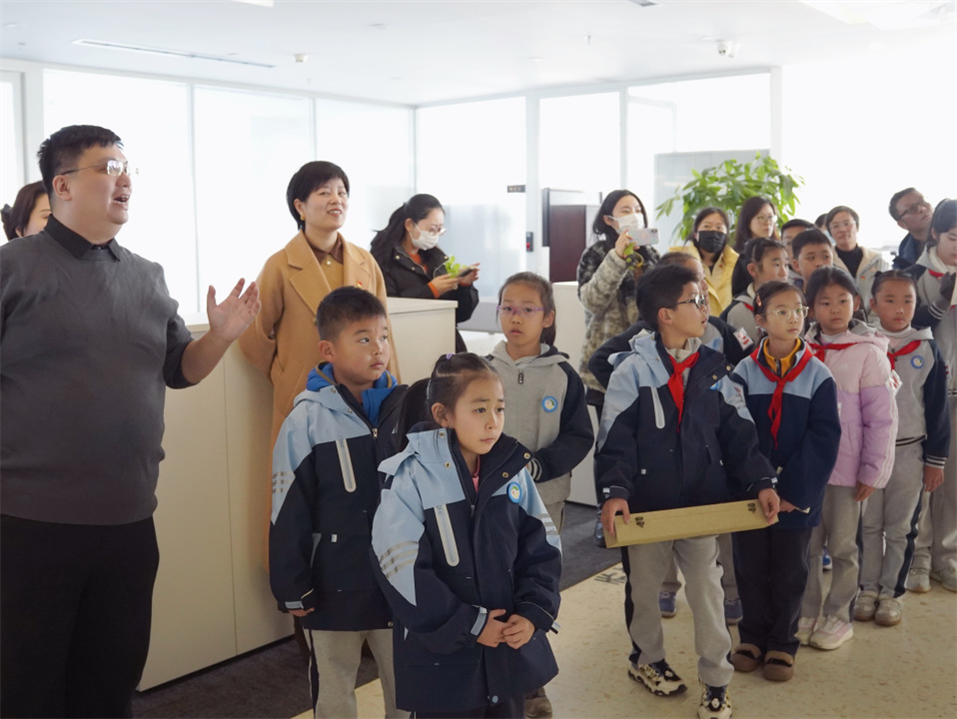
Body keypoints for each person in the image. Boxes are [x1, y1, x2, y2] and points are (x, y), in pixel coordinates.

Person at [0, 125, 260, 718]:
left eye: (127, 168)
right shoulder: (12, 270)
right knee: (25, 686)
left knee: (110, 680)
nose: (124, 180)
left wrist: (221, 337)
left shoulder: (147, 275)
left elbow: (180, 370)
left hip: (128, 520)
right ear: (63, 185)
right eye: (107, 167)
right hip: (29, 524)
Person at [595, 263, 780, 719]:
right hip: (646, 511)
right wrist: (615, 491)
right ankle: (647, 659)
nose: (704, 309)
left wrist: (760, 480)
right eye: (695, 301)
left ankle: (716, 679)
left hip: (701, 507)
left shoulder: (714, 370)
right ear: (665, 315)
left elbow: (740, 434)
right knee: (643, 590)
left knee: (707, 593)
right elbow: (614, 440)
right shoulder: (631, 372)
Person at [371, 353, 562, 719]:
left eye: (499, 408)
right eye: (479, 409)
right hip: (444, 665)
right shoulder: (409, 478)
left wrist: (533, 613)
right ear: (443, 415)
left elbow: (543, 548)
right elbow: (400, 570)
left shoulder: (512, 471)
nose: (493, 421)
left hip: (506, 652)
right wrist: (470, 625)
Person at [588, 251, 750, 622]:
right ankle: (662, 605)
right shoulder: (640, 344)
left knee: (709, 570)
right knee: (649, 569)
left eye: (701, 286)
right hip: (654, 483)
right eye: (692, 291)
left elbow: (741, 376)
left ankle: (725, 624)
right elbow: (601, 367)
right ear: (666, 309)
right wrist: (641, 395)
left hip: (704, 478)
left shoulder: (718, 333)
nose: (701, 296)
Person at [269, 287, 407, 719]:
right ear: (328, 350)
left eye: (383, 336)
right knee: (333, 690)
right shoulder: (305, 422)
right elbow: (287, 510)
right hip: (332, 588)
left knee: (409, 689)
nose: (378, 348)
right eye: (363, 338)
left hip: (401, 583)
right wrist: (292, 585)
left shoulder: (409, 412)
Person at [486, 272, 593, 718]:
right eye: (508, 308)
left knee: (536, 585)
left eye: (528, 309)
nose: (516, 317)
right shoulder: (481, 370)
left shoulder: (564, 375)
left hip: (544, 501)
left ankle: (532, 684)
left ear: (547, 317)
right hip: (487, 503)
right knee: (492, 584)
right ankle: (491, 676)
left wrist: (540, 465)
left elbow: (578, 436)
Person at [238, 161, 398, 456]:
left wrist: (393, 392)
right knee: (304, 475)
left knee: (365, 474)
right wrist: (286, 376)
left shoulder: (365, 262)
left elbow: (385, 331)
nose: (337, 199)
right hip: (306, 394)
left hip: (364, 395)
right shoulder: (280, 265)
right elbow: (252, 335)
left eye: (342, 192)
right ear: (300, 206)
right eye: (325, 192)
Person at [730, 281, 841, 682]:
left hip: (796, 497)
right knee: (750, 567)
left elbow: (823, 438)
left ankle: (782, 641)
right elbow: (737, 434)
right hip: (751, 493)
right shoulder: (743, 372)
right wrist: (756, 482)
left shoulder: (818, 375)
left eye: (798, 309)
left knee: (790, 570)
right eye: (781, 311)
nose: (794, 318)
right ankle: (752, 636)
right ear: (760, 320)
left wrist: (792, 490)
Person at [798, 267, 897, 651]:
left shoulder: (868, 352)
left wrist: (872, 471)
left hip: (847, 472)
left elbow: (882, 419)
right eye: (825, 302)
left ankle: (839, 616)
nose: (836, 309)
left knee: (842, 548)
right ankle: (807, 611)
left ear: (856, 302)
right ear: (811, 308)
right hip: (808, 470)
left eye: (843, 300)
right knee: (807, 547)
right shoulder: (801, 348)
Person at [858, 271, 950, 624]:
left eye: (908, 301)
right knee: (868, 526)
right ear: (873, 304)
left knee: (900, 528)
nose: (899, 308)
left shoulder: (927, 348)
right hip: (868, 452)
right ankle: (867, 589)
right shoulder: (863, 345)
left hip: (910, 452)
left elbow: (938, 410)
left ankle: (892, 593)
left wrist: (936, 461)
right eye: (890, 300)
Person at [905, 198, 957, 593]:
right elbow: (909, 326)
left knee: (953, 482)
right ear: (936, 233)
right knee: (923, 480)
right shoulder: (913, 276)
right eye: (954, 237)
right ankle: (917, 558)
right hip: (925, 394)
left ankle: (946, 557)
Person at [577, 189, 657, 411]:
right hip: (608, 359)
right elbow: (591, 301)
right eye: (626, 210)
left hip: (648, 359)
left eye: (638, 210)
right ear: (609, 219)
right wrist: (617, 258)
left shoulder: (651, 254)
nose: (634, 215)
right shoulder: (595, 254)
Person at [370, 193, 479, 352]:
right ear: (409, 224)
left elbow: (461, 315)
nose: (435, 235)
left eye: (439, 230)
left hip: (444, 341)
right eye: (431, 229)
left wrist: (463, 286)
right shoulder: (383, 260)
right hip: (407, 343)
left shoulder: (438, 259)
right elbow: (386, 309)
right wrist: (431, 290)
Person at [720, 238, 790, 346]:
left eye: (786, 265)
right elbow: (742, 350)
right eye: (777, 265)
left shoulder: (794, 303)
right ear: (753, 269)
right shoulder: (738, 312)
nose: (784, 272)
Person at [671, 207, 737, 316]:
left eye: (719, 227)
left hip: (726, 325)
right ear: (695, 234)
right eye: (707, 226)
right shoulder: (678, 261)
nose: (713, 231)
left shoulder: (736, 264)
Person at [826, 204, 889, 314]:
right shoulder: (826, 262)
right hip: (837, 320)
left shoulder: (877, 261)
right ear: (830, 232)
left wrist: (876, 322)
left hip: (875, 321)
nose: (842, 229)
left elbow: (887, 295)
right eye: (835, 226)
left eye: (847, 223)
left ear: (857, 227)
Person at [730, 196, 780, 298]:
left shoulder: (780, 250)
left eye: (770, 217)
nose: (767, 222)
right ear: (747, 221)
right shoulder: (736, 255)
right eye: (761, 217)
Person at [889, 188, 933, 269]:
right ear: (902, 224)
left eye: (923, 202)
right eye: (912, 209)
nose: (922, 208)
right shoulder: (903, 263)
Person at [780, 218, 815, 284]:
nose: (794, 248)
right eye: (789, 243)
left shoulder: (830, 276)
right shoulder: (779, 282)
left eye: (802, 241)